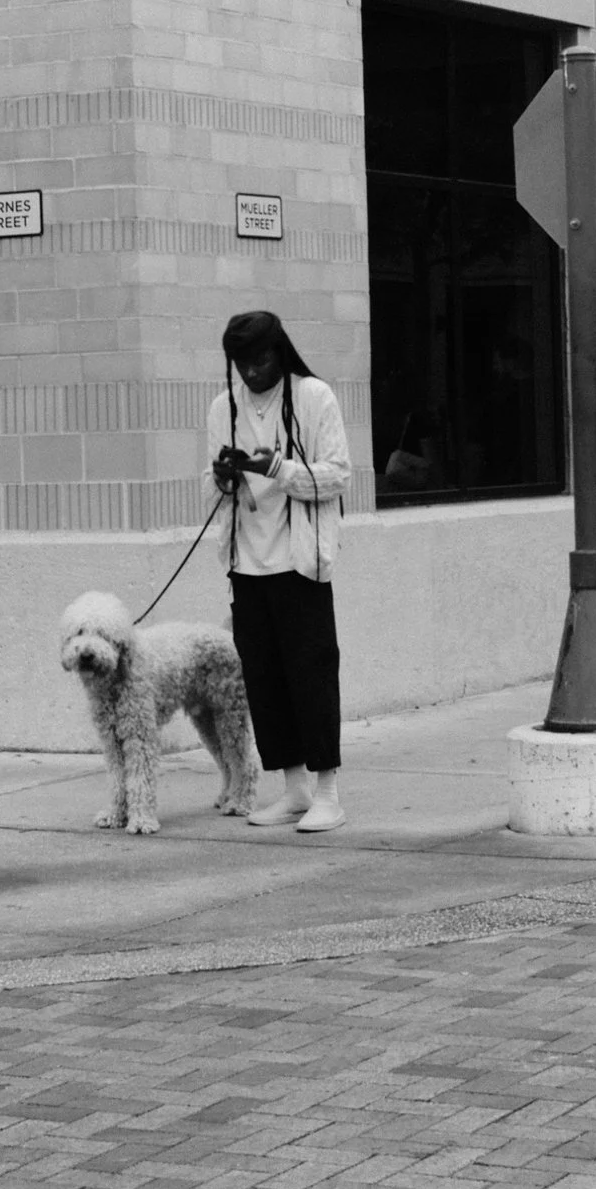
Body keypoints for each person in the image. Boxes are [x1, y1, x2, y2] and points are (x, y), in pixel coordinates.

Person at [207, 310, 353, 831]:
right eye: (241, 362)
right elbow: (212, 483)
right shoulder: (223, 408)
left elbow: (338, 475)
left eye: (261, 359)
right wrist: (226, 476)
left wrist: (278, 468)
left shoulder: (315, 397)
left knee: (311, 675)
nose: (251, 371)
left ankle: (329, 792)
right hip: (245, 565)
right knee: (265, 680)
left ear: (280, 351)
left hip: (301, 564)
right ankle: (293, 789)